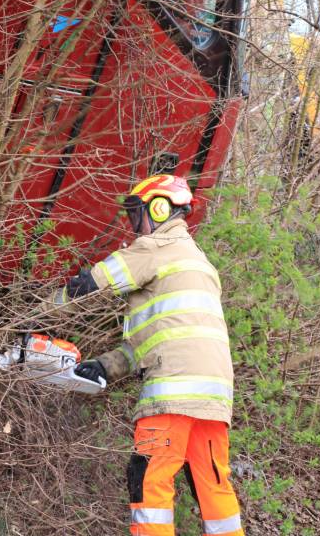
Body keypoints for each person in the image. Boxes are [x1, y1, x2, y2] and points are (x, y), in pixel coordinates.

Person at [45, 174, 244, 536]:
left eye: (138, 216)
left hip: (171, 396)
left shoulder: (154, 248)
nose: (135, 227)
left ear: (159, 207)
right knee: (213, 488)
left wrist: (32, 314)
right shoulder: (200, 264)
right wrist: (105, 365)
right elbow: (159, 342)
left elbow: (90, 285)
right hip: (214, 401)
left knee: (149, 479)